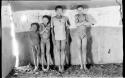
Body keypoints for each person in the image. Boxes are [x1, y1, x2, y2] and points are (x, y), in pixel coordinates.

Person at [75, 5, 96, 71]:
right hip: (78, 35)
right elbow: (76, 24)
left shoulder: (86, 16)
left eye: (81, 10)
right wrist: (84, 22)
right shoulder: (76, 16)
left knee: (84, 50)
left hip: (84, 34)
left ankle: (84, 65)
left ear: (83, 10)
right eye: (78, 10)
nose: (80, 11)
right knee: (79, 49)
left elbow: (91, 23)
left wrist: (83, 23)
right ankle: (81, 65)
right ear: (77, 10)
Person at [51, 5, 70, 72]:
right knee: (58, 51)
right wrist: (53, 38)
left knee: (63, 51)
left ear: (62, 11)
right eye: (58, 10)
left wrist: (67, 38)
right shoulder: (53, 19)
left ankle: (62, 65)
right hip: (56, 37)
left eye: (60, 10)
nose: (59, 12)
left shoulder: (65, 18)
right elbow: (52, 29)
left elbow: (67, 29)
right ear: (55, 11)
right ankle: (59, 66)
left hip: (63, 37)